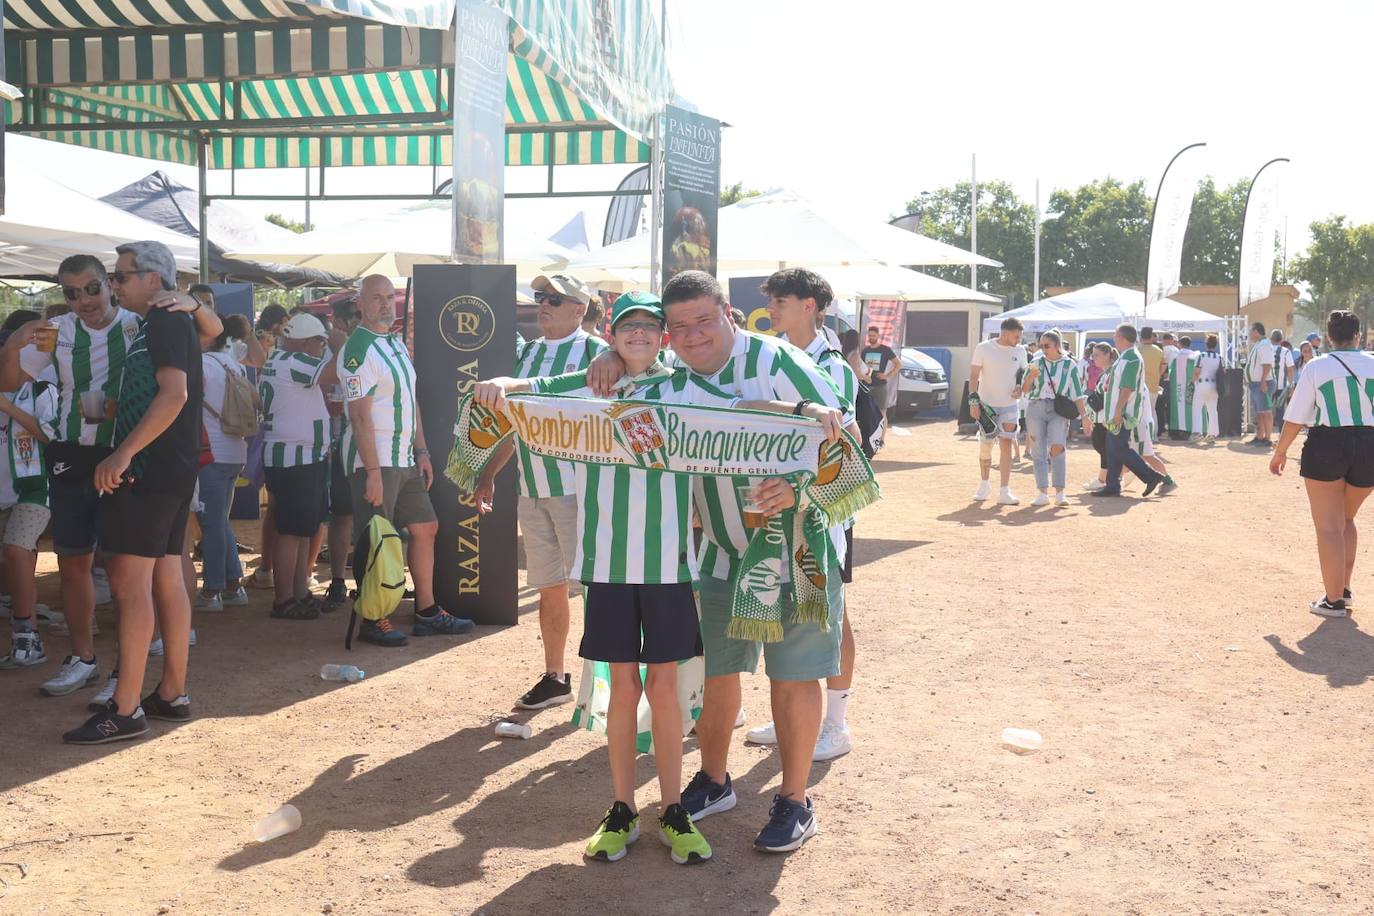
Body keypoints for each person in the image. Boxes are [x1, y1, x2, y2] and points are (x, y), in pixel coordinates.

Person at [587, 270, 852, 852]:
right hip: (720, 550)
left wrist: (800, 489)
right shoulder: (675, 377)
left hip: (796, 548)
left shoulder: (781, 363)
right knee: (718, 670)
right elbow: (633, 371)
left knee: (794, 673)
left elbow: (846, 438)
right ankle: (713, 779)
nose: (691, 335)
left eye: (703, 320)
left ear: (728, 315)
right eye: (678, 326)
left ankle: (794, 800)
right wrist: (611, 351)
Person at [474, 291, 716, 865]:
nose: (639, 336)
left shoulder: (685, 386)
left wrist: (813, 413)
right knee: (622, 687)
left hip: (669, 566)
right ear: (612, 333)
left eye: (649, 328)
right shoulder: (588, 382)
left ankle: (674, 807)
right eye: (628, 327)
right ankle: (622, 807)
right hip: (606, 565)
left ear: (663, 337)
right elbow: (527, 392)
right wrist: (498, 386)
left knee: (664, 689)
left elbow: (745, 414)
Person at [64, 240, 223, 744]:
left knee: (131, 586)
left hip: (149, 471)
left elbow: (175, 393)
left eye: (120, 276)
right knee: (165, 579)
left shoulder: (165, 320)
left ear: (153, 280)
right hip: (167, 470)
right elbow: (200, 351)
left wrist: (122, 452)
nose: (113, 284)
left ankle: (126, 706)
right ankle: (171, 693)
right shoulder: (165, 322)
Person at [0, 256, 142, 700]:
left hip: (123, 455)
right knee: (73, 563)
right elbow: (8, 380)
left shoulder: (138, 326)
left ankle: (126, 670)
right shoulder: (56, 332)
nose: (83, 300)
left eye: (92, 288)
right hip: (70, 456)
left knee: (124, 570)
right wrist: (16, 342)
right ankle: (82, 659)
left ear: (110, 284)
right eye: (72, 293)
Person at [474, 273, 608, 706]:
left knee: (596, 588)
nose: (543, 305)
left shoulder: (599, 353)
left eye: (554, 298)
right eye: (540, 297)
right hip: (532, 488)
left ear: (580, 309)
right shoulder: (527, 353)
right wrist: (490, 472)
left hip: (583, 490)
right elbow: (517, 425)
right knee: (550, 586)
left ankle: (602, 681)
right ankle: (556, 676)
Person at [754, 268, 862, 761]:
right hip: (779, 508)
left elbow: (841, 441)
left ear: (810, 306)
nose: (772, 306)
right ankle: (792, 713)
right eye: (771, 298)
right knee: (790, 609)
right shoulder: (772, 354)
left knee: (831, 614)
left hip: (821, 510)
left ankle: (836, 723)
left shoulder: (832, 364)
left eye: (782, 298)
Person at [338, 275, 474, 646]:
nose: (385, 304)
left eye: (389, 298)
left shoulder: (394, 343)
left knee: (425, 527)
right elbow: (360, 416)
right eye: (377, 298)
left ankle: (427, 611)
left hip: (404, 457)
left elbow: (411, 400)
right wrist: (372, 472)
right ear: (361, 304)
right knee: (376, 539)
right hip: (376, 460)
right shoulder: (357, 349)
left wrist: (423, 450)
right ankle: (372, 616)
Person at [1270, 310, 1374, 618]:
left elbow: (1296, 416)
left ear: (1328, 338)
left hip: (1327, 443)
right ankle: (1344, 589)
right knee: (1347, 518)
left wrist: (1280, 452)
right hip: (1369, 445)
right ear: (1358, 336)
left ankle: (1333, 601)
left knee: (1329, 527)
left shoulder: (1318, 366)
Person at [258, 313, 341, 620]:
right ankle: (284, 599)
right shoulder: (295, 361)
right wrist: (340, 340)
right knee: (291, 531)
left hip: (300, 457)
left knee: (302, 529)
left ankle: (299, 594)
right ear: (309, 342)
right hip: (294, 458)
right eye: (320, 343)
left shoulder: (281, 358)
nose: (323, 348)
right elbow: (336, 372)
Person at [0, 373, 58, 669]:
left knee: (16, 549)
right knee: (17, 561)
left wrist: (8, 408)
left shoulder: (39, 390)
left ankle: (27, 637)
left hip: (34, 489)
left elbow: (51, 435)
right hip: (3, 493)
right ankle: (28, 629)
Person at [194, 320, 252, 612]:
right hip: (234, 450)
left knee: (212, 523)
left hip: (210, 453)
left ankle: (213, 589)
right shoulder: (234, 365)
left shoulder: (201, 365)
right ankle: (232, 585)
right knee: (218, 520)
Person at [1090, 324, 1170, 499]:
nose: (1114, 338)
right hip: (1117, 412)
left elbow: (1127, 387)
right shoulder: (1127, 357)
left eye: (1116, 335)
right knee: (1113, 448)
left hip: (1123, 413)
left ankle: (1151, 476)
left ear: (1123, 338)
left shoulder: (1131, 358)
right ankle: (1112, 485)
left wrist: (1118, 411)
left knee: (1119, 448)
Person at [1021, 329, 1090, 507]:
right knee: (1038, 450)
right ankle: (1042, 492)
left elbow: (1077, 393)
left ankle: (1060, 492)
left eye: (1047, 346)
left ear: (1057, 346)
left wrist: (1084, 416)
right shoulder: (1035, 362)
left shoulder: (1070, 365)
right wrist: (1030, 378)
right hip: (1036, 407)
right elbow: (1026, 389)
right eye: (1041, 345)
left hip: (1059, 409)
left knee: (1058, 447)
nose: (1043, 349)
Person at [324, 299, 361, 608]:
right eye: (348, 317)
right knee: (343, 516)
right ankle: (337, 580)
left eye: (355, 317)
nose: (351, 322)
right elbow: (322, 386)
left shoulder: (369, 345)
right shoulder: (331, 346)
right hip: (341, 443)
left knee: (371, 517)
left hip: (371, 444)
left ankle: (368, 580)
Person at [969, 318, 1027, 505]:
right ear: (1005, 333)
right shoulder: (983, 348)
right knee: (986, 445)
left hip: (1010, 405)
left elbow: (1022, 374)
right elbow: (974, 375)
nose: (1019, 340)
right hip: (987, 405)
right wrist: (973, 402)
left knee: (1006, 445)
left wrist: (1020, 388)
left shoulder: (1020, 350)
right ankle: (984, 485)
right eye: (1016, 336)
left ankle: (1004, 490)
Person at [1083, 344, 1115, 491]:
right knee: (1101, 446)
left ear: (1107, 355)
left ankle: (1103, 479)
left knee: (1104, 448)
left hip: (1107, 417)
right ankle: (1119, 472)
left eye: (1096, 355)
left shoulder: (1111, 373)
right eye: (1092, 355)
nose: (1093, 358)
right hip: (1100, 417)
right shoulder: (1105, 373)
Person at [860, 326, 899, 423]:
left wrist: (887, 376)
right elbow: (861, 367)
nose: (871, 337)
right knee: (867, 414)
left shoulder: (885, 350)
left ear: (878, 336)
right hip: (867, 386)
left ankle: (881, 437)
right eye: (870, 336)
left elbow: (898, 364)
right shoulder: (865, 351)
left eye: (873, 335)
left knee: (882, 413)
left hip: (880, 386)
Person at [1245, 322, 1275, 447]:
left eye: (1250, 331)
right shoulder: (1258, 344)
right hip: (1256, 383)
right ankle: (1260, 436)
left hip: (1263, 383)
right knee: (1259, 411)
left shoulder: (1264, 344)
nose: (1249, 334)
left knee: (1266, 411)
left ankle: (1267, 439)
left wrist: (1263, 381)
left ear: (1256, 331)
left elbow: (1267, 364)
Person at [1191, 335, 1225, 442]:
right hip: (1214, 385)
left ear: (1206, 344)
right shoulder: (1219, 357)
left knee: (1197, 409)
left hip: (1202, 384)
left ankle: (1197, 433)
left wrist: (1192, 382)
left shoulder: (1201, 355)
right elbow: (1223, 372)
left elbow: (1197, 372)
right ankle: (1212, 434)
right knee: (1212, 410)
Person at [1271, 329, 1296, 426]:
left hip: (1268, 384)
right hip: (1281, 386)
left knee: (1266, 411)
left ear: (1271, 339)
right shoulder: (1286, 352)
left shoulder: (1266, 349)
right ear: (1282, 340)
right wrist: (1291, 385)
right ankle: (1281, 434)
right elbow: (1290, 369)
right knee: (1280, 410)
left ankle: (1265, 435)